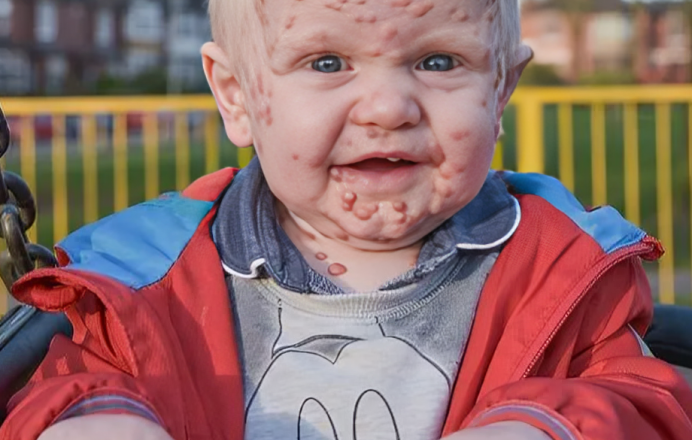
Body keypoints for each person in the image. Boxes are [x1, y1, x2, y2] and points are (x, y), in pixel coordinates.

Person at [2, 0, 692, 439]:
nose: (388, 107)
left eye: (439, 60)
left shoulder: (562, 268)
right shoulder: (147, 277)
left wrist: (545, 427)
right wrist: (97, 418)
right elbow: (64, 383)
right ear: (236, 96)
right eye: (327, 62)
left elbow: (643, 400)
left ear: (500, 90)